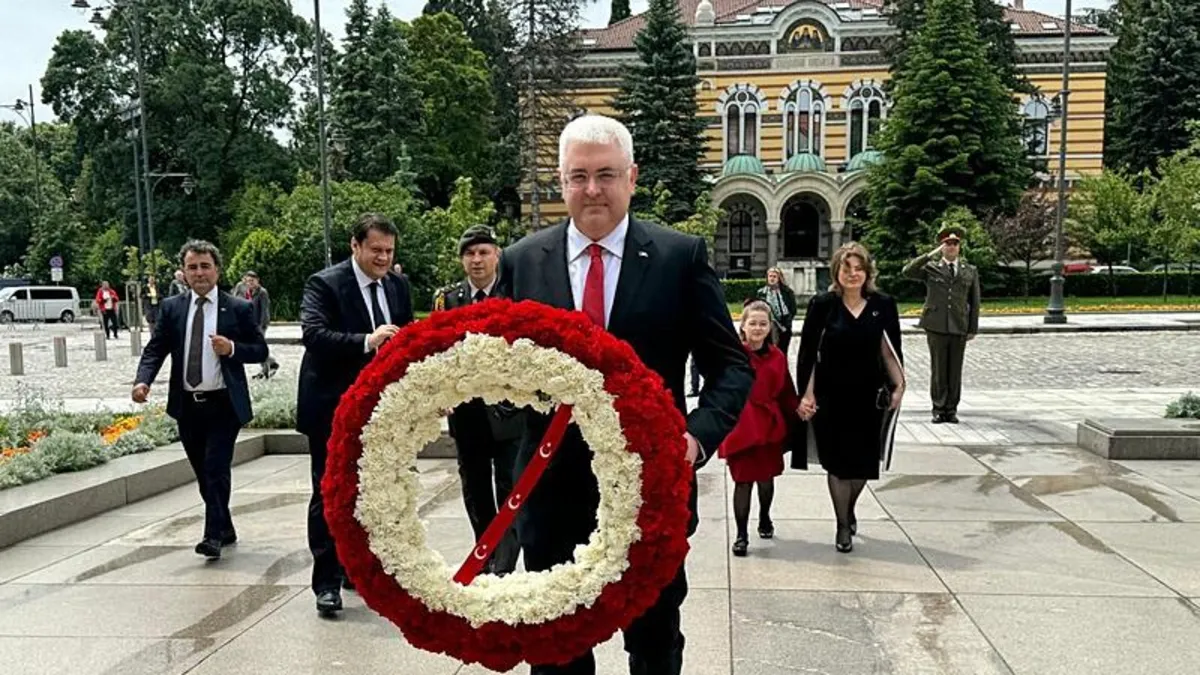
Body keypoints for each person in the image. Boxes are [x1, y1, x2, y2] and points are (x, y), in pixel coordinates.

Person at [495, 114, 753, 675]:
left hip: (648, 492)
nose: (592, 189)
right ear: (560, 182)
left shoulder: (678, 257)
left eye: (606, 174)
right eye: (578, 176)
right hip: (551, 493)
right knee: (557, 648)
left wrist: (694, 440)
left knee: (654, 641)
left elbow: (731, 368)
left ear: (632, 178)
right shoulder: (521, 261)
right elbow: (500, 367)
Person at [297, 213, 414, 617]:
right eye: (376, 250)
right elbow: (312, 335)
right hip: (330, 407)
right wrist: (367, 340)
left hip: (378, 411)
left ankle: (356, 570)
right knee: (329, 494)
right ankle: (326, 583)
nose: (383, 258)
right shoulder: (324, 284)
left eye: (389, 251)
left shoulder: (398, 285)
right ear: (355, 246)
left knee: (371, 492)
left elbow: (408, 341)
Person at [131, 240, 269, 559]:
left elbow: (260, 350)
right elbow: (156, 348)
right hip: (187, 405)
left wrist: (232, 348)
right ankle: (226, 525)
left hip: (224, 404)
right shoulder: (173, 307)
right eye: (193, 267)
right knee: (202, 472)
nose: (199, 273)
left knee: (215, 467)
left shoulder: (238, 308)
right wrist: (143, 380)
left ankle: (212, 537)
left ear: (217, 270)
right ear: (184, 272)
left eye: (205, 266)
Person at [795, 242, 904, 554]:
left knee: (864, 466)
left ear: (867, 272)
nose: (853, 274)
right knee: (838, 464)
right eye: (847, 268)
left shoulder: (882, 304)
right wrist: (807, 394)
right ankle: (842, 524)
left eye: (859, 269)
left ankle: (850, 507)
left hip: (868, 396)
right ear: (837, 272)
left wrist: (899, 386)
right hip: (832, 396)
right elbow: (809, 354)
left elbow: (889, 349)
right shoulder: (822, 304)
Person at [433, 224, 524, 575]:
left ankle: (503, 564)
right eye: (470, 253)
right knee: (474, 488)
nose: (477, 260)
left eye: (484, 252)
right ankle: (484, 553)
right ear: (461, 260)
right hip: (467, 413)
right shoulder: (449, 300)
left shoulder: (514, 296)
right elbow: (440, 351)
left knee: (510, 487)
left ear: (497, 255)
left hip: (509, 412)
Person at [718, 300, 801, 558]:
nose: (757, 327)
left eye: (762, 323)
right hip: (741, 425)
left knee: (766, 479)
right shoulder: (732, 354)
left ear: (769, 327)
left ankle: (765, 517)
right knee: (742, 482)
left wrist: (798, 410)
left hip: (768, 425)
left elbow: (786, 389)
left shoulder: (777, 356)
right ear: (742, 326)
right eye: (752, 323)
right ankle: (741, 535)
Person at [903, 225, 980, 424]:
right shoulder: (931, 268)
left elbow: (975, 300)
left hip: (959, 324)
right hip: (936, 324)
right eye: (947, 244)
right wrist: (930, 254)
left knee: (955, 370)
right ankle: (938, 408)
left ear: (959, 247)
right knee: (939, 369)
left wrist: (972, 328)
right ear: (941, 246)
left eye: (955, 244)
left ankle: (951, 409)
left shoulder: (970, 270)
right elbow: (907, 271)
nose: (951, 247)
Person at [240, 271, 279, 379]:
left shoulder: (262, 292)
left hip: (259, 325)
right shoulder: (244, 290)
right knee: (253, 347)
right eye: (247, 281)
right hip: (249, 324)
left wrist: (262, 326)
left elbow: (264, 310)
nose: (249, 283)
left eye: (252, 281)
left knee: (258, 347)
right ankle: (271, 365)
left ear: (257, 281)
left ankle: (267, 368)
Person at [756, 267, 797, 357]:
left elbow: (793, 309)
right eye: (770, 276)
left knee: (782, 352)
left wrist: (787, 321)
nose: (772, 278)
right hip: (769, 324)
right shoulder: (761, 293)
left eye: (774, 276)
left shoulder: (787, 292)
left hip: (784, 324)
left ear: (779, 278)